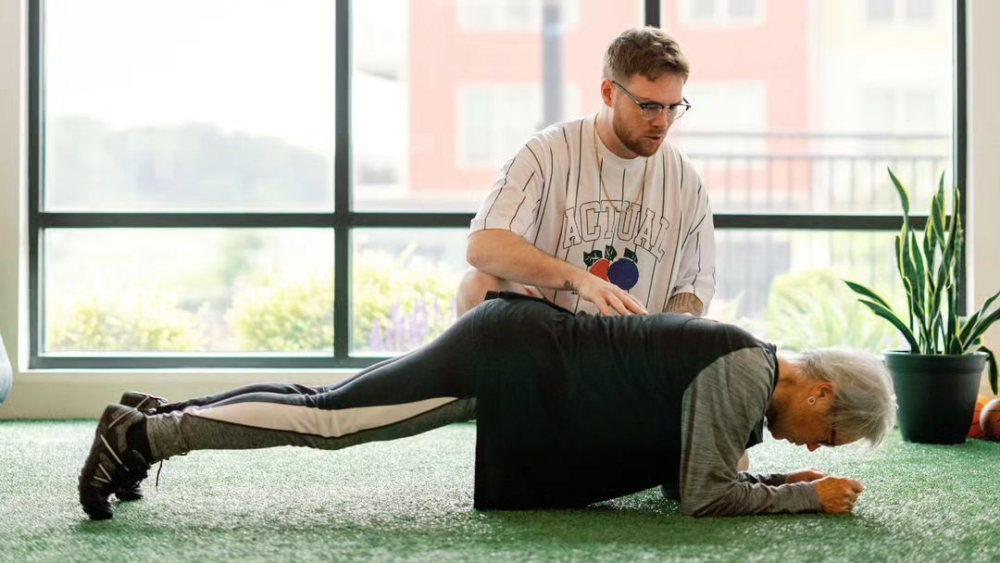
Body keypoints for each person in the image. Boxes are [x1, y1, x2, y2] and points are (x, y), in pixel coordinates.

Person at [78, 292, 895, 521]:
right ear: (819, 391)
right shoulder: (741, 373)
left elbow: (701, 463)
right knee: (332, 422)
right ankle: (148, 434)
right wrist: (802, 499)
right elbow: (704, 493)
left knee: (330, 404)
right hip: (507, 364)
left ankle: (149, 419)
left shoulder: (744, 362)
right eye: (831, 434)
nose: (821, 448)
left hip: (516, 348)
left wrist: (780, 474)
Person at [458, 27, 715, 319]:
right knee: (476, 284)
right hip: (549, 337)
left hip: (636, 345)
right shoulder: (546, 153)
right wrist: (581, 280)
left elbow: (693, 287)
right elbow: (483, 246)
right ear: (608, 93)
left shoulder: (686, 181)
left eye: (672, 107)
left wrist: (667, 335)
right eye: (649, 106)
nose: (662, 121)